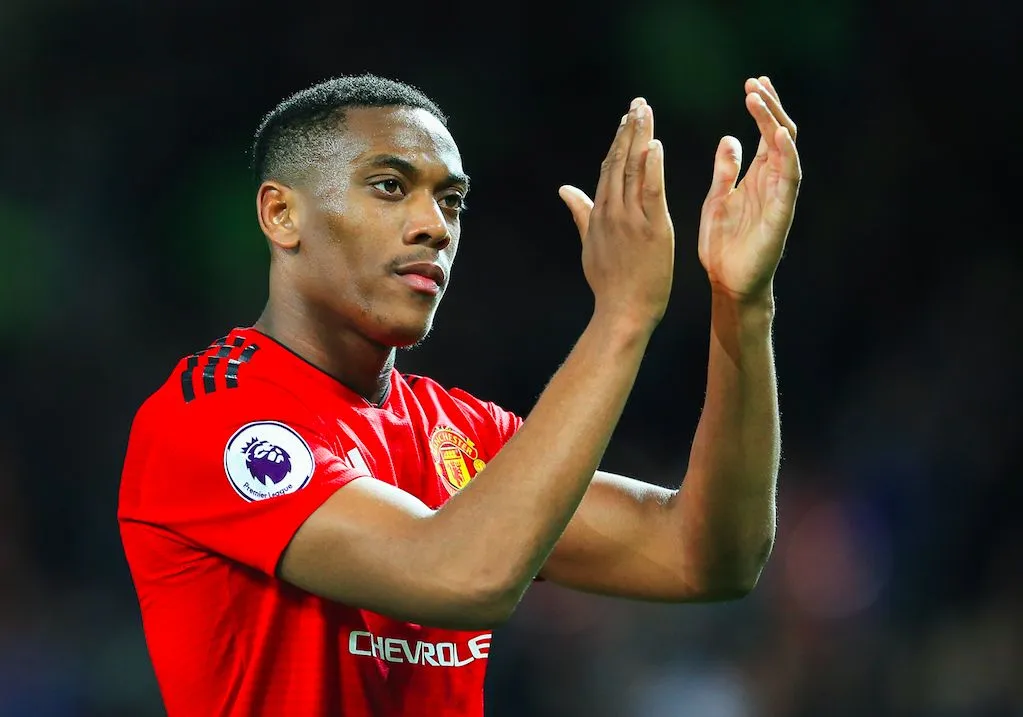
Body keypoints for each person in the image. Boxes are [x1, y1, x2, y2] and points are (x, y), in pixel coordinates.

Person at [118, 72, 801, 717]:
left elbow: (708, 557)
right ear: (281, 214)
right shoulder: (210, 416)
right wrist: (621, 317)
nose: (435, 226)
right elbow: (462, 574)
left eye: (450, 201)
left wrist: (742, 305)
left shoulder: (460, 431)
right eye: (390, 187)